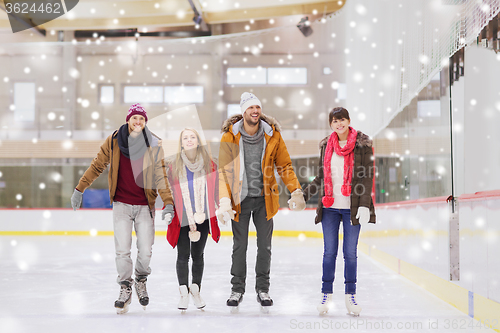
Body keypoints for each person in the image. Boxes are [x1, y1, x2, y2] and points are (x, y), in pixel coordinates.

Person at [70, 103, 175, 314]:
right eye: (135, 118)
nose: (138, 122)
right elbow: (97, 165)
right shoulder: (114, 140)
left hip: (145, 205)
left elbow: (161, 175)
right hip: (121, 204)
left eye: (142, 119)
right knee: (122, 250)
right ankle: (125, 287)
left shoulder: (153, 144)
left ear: (145, 122)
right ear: (128, 119)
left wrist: (168, 202)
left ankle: (141, 279)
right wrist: (80, 188)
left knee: (146, 250)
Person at [217, 92, 306, 311]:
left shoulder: (272, 135)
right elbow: (224, 170)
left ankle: (262, 289)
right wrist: (224, 199)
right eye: (250, 108)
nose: (255, 111)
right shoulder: (230, 136)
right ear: (243, 111)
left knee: (264, 247)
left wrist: (295, 190)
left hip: (265, 200)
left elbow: (284, 165)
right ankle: (237, 289)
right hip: (240, 201)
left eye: (257, 107)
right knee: (240, 247)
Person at [303, 107, 376, 316]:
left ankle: (350, 296)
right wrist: (304, 195)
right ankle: (326, 294)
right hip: (329, 208)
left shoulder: (363, 145)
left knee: (350, 254)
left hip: (352, 208)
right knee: (329, 253)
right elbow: (320, 176)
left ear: (348, 120)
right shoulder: (327, 145)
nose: (339, 124)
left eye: (342, 119)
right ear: (331, 124)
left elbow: (366, 176)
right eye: (335, 121)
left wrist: (364, 204)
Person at [165, 128, 220, 311]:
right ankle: (183, 294)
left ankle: (195, 291)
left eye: (192, 137)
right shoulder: (173, 165)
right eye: (185, 138)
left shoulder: (209, 165)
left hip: (202, 216)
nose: (189, 140)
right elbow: (167, 191)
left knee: (198, 255)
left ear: (198, 141)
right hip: (182, 217)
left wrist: (223, 207)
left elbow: (216, 189)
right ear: (181, 142)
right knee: (182, 256)